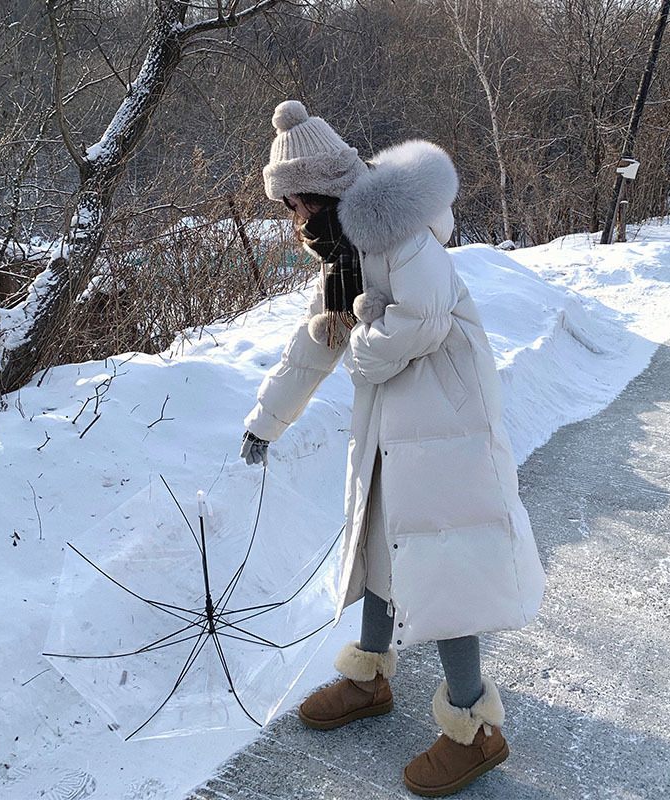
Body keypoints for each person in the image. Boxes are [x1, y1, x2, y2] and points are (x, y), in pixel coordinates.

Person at [241, 99, 545, 797]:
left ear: (314, 193)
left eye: (291, 202)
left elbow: (424, 319)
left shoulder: (394, 232)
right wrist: (266, 421)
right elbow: (319, 335)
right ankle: (370, 677)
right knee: (383, 538)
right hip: (395, 410)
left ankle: (475, 729)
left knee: (445, 562)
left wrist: (360, 344)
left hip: (444, 411)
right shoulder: (345, 252)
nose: (291, 215)